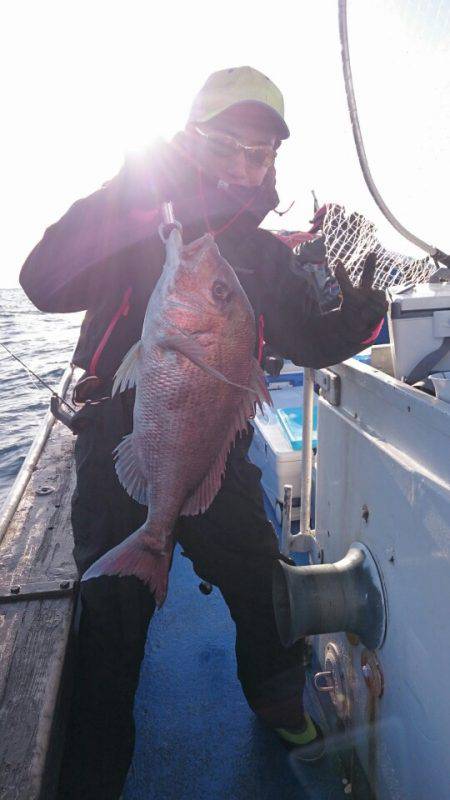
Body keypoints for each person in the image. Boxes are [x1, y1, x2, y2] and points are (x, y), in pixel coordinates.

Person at [20, 66, 387, 800]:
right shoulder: (139, 213)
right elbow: (41, 281)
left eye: (263, 153)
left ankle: (280, 703)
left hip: (211, 441)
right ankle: (94, 778)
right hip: (116, 442)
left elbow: (303, 339)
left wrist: (357, 320)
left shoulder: (259, 251)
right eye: (233, 146)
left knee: (260, 581)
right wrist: (132, 198)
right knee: (114, 625)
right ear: (191, 139)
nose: (250, 166)